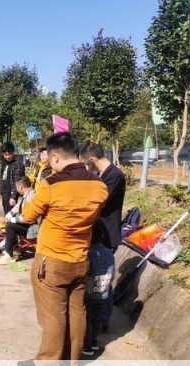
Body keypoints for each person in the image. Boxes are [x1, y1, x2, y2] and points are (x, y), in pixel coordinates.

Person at [17, 133, 108, 366]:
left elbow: (26, 215)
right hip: (80, 259)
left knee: (53, 313)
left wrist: (39, 191)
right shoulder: (99, 186)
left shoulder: (51, 185)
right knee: (77, 310)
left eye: (49, 158)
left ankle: (48, 363)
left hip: (52, 261)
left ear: (56, 156)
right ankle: (72, 360)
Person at [79, 142, 126, 354]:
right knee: (101, 282)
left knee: (102, 283)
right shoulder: (104, 174)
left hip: (107, 234)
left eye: (84, 163)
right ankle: (101, 320)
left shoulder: (114, 175)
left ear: (90, 159)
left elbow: (99, 202)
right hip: (100, 233)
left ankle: (101, 322)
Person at [0, 176, 35, 265]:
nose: (16, 190)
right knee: (10, 223)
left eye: (16, 188)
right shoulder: (27, 195)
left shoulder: (31, 197)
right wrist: (6, 217)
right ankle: (13, 249)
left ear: (21, 187)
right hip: (27, 224)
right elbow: (16, 208)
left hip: (32, 228)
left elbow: (27, 218)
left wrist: (9, 220)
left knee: (10, 226)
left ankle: (8, 255)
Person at [0, 142, 25, 214]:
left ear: (13, 152)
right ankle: (7, 223)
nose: (7, 157)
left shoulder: (18, 164)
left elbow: (18, 181)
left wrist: (13, 196)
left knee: (11, 212)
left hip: (11, 192)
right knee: (6, 211)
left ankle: (10, 224)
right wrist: (0, 192)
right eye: (5, 155)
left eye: (9, 154)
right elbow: (2, 178)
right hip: (4, 193)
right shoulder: (4, 163)